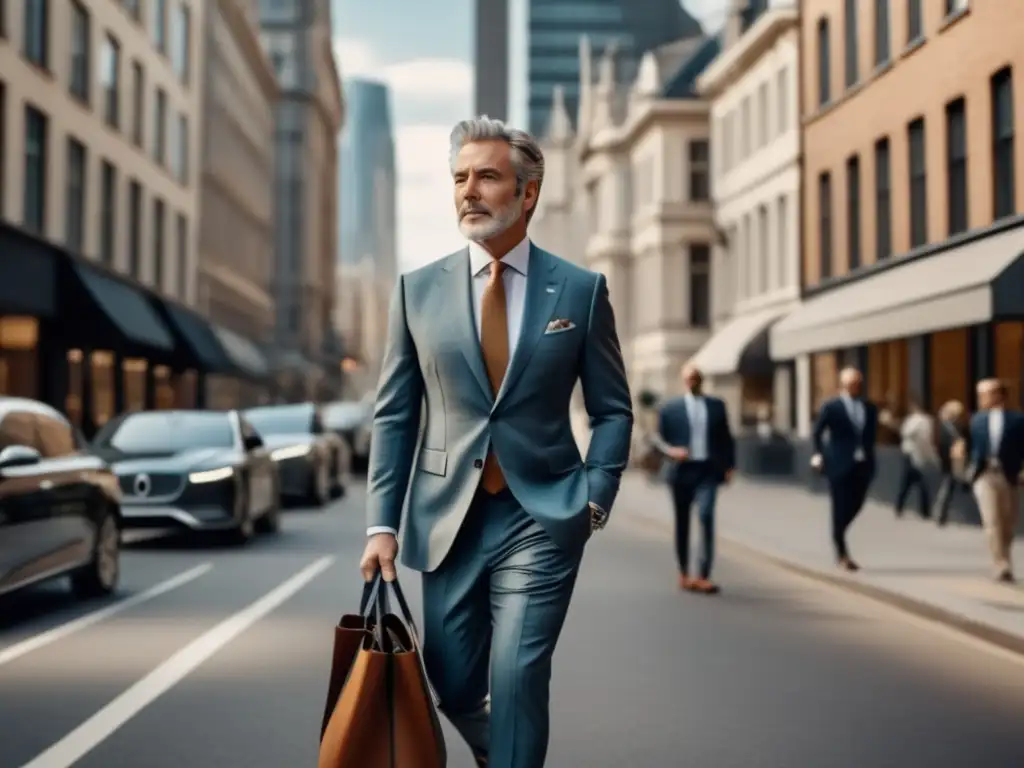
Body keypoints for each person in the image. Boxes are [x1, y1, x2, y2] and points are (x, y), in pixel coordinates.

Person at [358, 116, 633, 768]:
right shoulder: (415, 291)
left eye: (487, 176)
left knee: (516, 678)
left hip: (541, 513)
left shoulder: (579, 290)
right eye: (460, 177)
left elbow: (613, 408)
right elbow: (395, 416)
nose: (469, 191)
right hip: (447, 518)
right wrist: (380, 525)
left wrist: (595, 497)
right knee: (453, 685)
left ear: (527, 192)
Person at [651, 363, 735, 594]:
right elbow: (658, 440)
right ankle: (684, 572)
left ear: (702, 380)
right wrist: (672, 451)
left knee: (706, 515)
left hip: (708, 470)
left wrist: (730, 466)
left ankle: (704, 574)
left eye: (697, 377)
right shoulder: (670, 408)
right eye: (689, 378)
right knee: (683, 522)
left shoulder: (716, 406)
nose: (693, 381)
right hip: (681, 472)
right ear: (683, 381)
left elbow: (727, 437)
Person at [811, 367, 878, 571]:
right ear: (843, 385)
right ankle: (841, 552)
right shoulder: (832, 407)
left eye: (858, 383)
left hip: (863, 463)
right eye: (851, 383)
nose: (855, 387)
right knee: (839, 506)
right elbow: (817, 432)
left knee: (857, 503)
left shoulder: (869, 407)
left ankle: (839, 530)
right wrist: (818, 454)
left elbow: (871, 434)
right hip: (838, 463)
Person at [966, 379, 1023, 583]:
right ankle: (1001, 565)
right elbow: (970, 447)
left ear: (998, 396)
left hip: (1009, 476)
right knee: (991, 521)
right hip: (985, 476)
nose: (981, 399)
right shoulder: (976, 420)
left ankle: (1005, 559)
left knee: (1008, 522)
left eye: (984, 394)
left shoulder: (1017, 420)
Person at [894, 398, 938, 519]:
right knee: (916, 483)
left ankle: (902, 507)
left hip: (913, 454)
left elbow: (907, 433)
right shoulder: (923, 420)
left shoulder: (919, 420)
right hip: (913, 454)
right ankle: (923, 511)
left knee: (911, 483)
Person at [934, 399, 968, 526]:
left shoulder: (953, 426)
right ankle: (940, 514)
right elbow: (942, 444)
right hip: (951, 460)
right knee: (948, 485)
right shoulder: (946, 427)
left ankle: (940, 514)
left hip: (955, 459)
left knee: (948, 486)